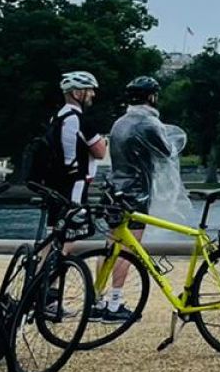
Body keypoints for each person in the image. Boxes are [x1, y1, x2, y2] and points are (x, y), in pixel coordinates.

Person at [99, 76, 189, 322]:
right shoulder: (148, 123)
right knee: (130, 247)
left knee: (111, 245)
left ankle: (97, 297)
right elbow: (166, 152)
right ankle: (115, 303)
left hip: (113, 189)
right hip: (136, 192)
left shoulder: (119, 123)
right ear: (151, 96)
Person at [39, 71, 107, 209]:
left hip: (55, 183)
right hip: (76, 183)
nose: (93, 94)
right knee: (76, 225)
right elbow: (100, 153)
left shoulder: (56, 117)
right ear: (77, 93)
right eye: (90, 90)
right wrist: (103, 141)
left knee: (56, 226)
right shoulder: (80, 120)